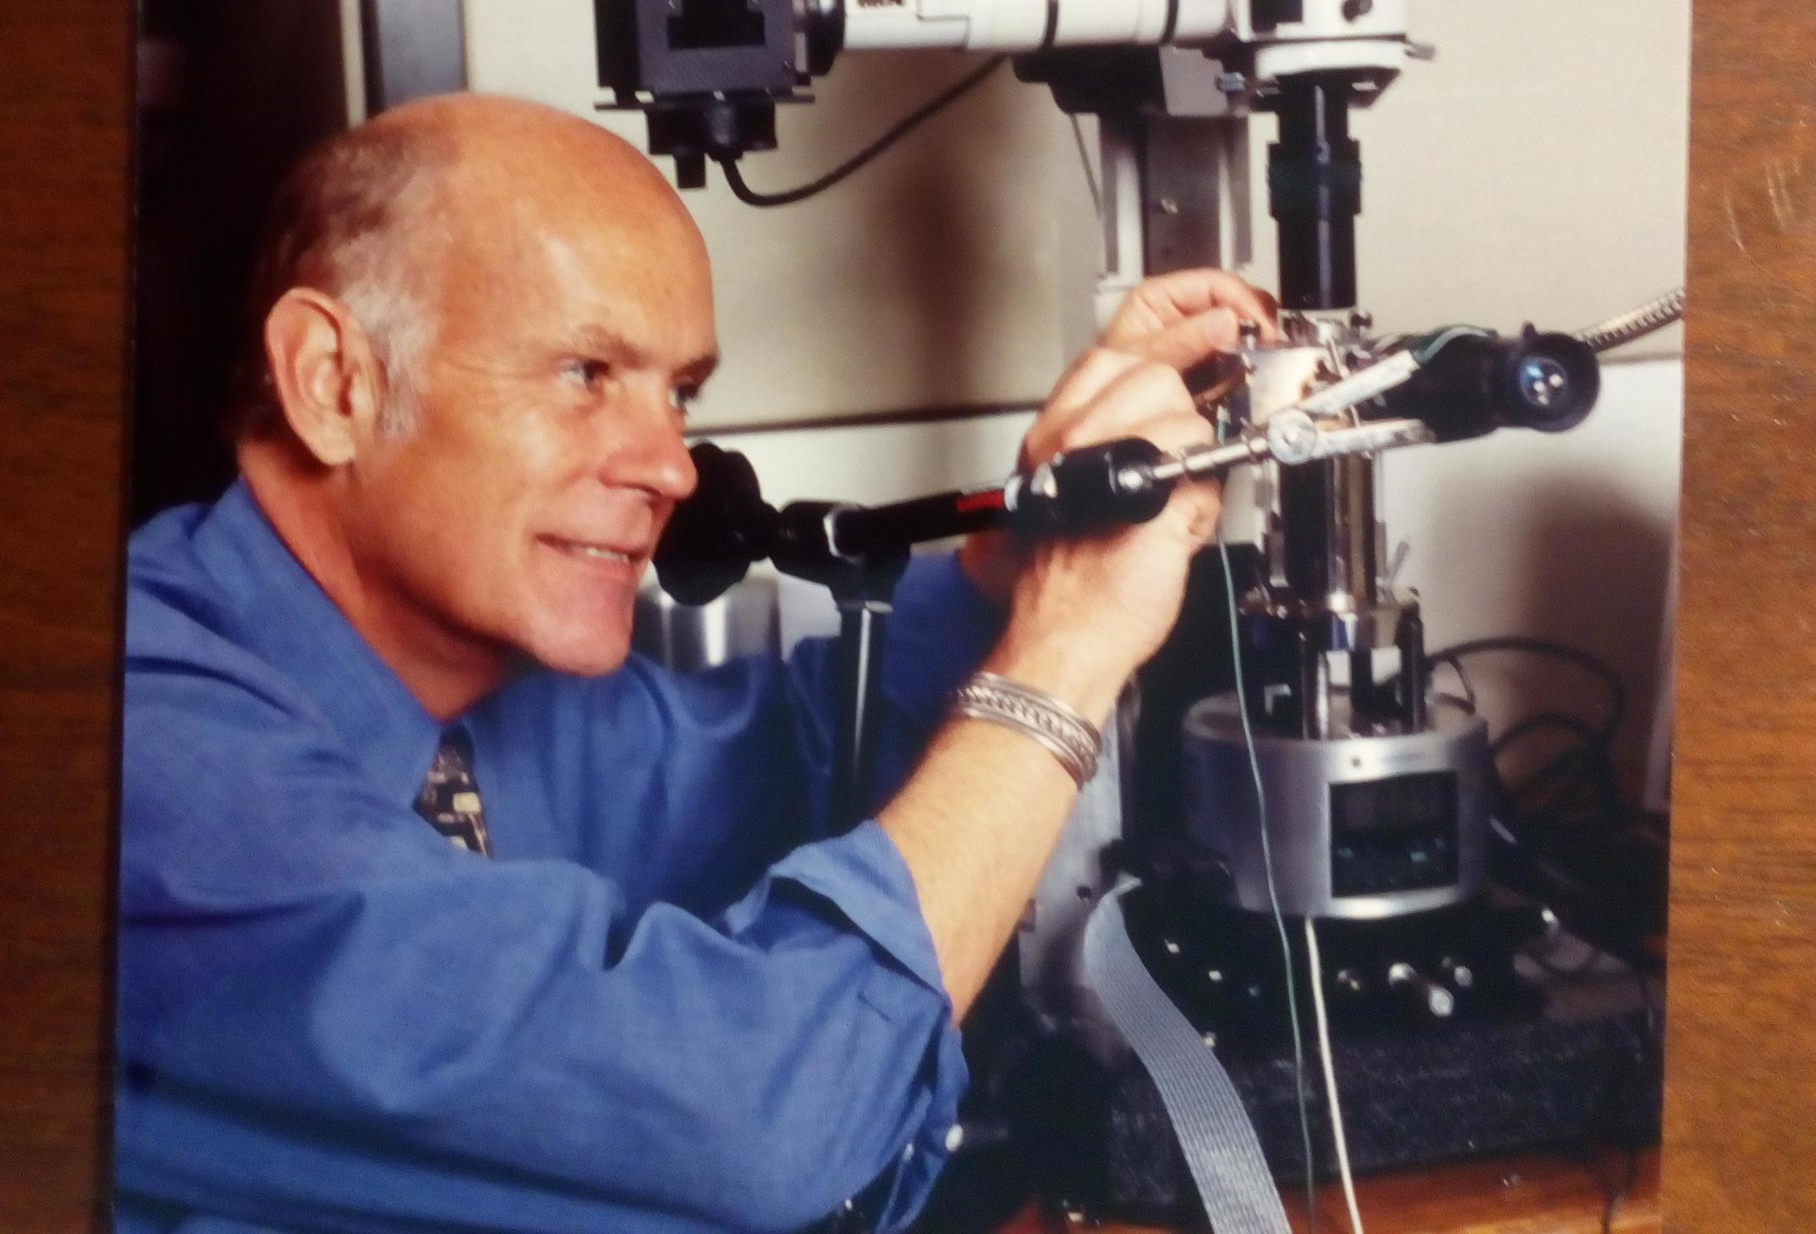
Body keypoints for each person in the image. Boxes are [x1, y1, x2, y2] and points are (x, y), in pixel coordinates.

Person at [114, 93, 1273, 1234]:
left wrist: (1007, 566)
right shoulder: (137, 756)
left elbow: (790, 753)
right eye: (584, 373)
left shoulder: (500, 695)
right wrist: (1060, 654)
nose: (671, 467)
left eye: (676, 393)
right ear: (334, 379)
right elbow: (752, 1119)